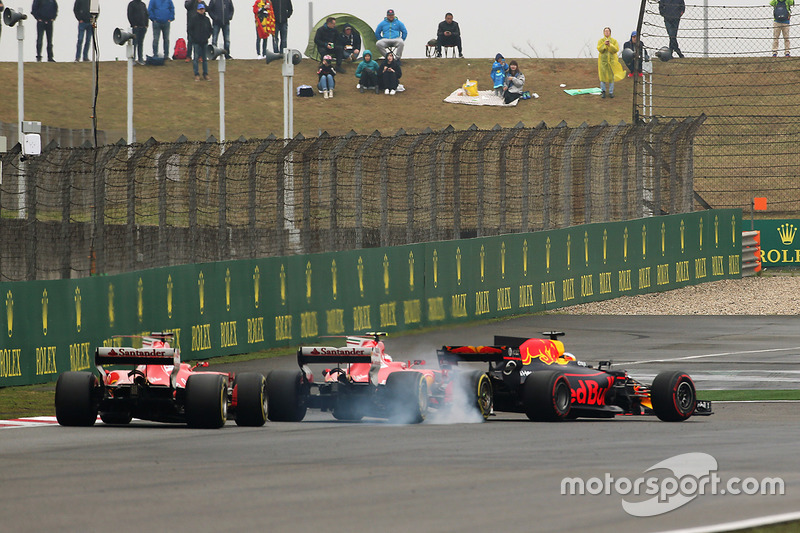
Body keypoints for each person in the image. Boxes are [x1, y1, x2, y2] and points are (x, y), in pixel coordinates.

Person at [597, 27, 625, 98]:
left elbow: (615, 49)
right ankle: (603, 91)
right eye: (605, 31)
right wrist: (604, 44)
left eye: (608, 31)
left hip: (611, 62)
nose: (607, 33)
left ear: (610, 32)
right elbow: (600, 49)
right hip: (603, 63)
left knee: (611, 77)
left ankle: (611, 92)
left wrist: (610, 45)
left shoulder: (614, 41)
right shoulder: (601, 41)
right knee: (602, 77)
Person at [188, 1, 211, 80]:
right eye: (200, 9)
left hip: (204, 42)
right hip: (196, 42)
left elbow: (210, 29)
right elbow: (189, 29)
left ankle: (205, 74)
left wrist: (207, 36)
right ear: (197, 10)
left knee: (204, 59)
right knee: (196, 59)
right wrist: (194, 38)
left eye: (203, 9)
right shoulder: (193, 19)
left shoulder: (207, 19)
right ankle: (196, 74)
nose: (201, 10)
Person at [127, 0, 149, 65]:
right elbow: (129, 15)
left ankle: (140, 59)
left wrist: (146, 24)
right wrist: (133, 24)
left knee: (140, 43)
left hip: (143, 27)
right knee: (134, 43)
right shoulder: (131, 4)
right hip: (135, 27)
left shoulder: (143, 4)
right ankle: (133, 59)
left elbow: (146, 14)